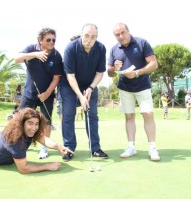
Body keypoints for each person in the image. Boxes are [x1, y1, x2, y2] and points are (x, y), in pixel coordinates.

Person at [107, 22, 160, 161]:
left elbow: (154, 64)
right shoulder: (114, 49)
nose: (121, 36)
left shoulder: (142, 43)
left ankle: (152, 148)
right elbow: (110, 73)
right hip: (125, 87)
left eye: (123, 32)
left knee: (148, 114)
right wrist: (114, 68)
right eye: (117, 34)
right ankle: (131, 147)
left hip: (142, 86)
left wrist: (137, 73)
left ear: (128, 31)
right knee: (129, 117)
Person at [60, 23, 109, 161]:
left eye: (93, 37)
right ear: (82, 35)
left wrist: (91, 88)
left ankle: (95, 149)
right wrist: (80, 96)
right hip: (69, 85)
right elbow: (70, 76)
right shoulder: (71, 48)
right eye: (87, 35)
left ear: (96, 37)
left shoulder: (100, 48)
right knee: (69, 115)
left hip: (89, 84)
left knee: (92, 115)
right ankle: (69, 148)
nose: (89, 39)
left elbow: (100, 73)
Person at [14, 27, 63, 159]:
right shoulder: (31, 48)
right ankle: (19, 145)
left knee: (46, 122)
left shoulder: (57, 55)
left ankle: (44, 148)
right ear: (40, 40)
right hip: (29, 93)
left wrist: (47, 93)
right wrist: (35, 54)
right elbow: (16, 58)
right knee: (20, 120)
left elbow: (56, 78)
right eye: (48, 39)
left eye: (54, 39)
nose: (52, 42)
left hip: (46, 95)